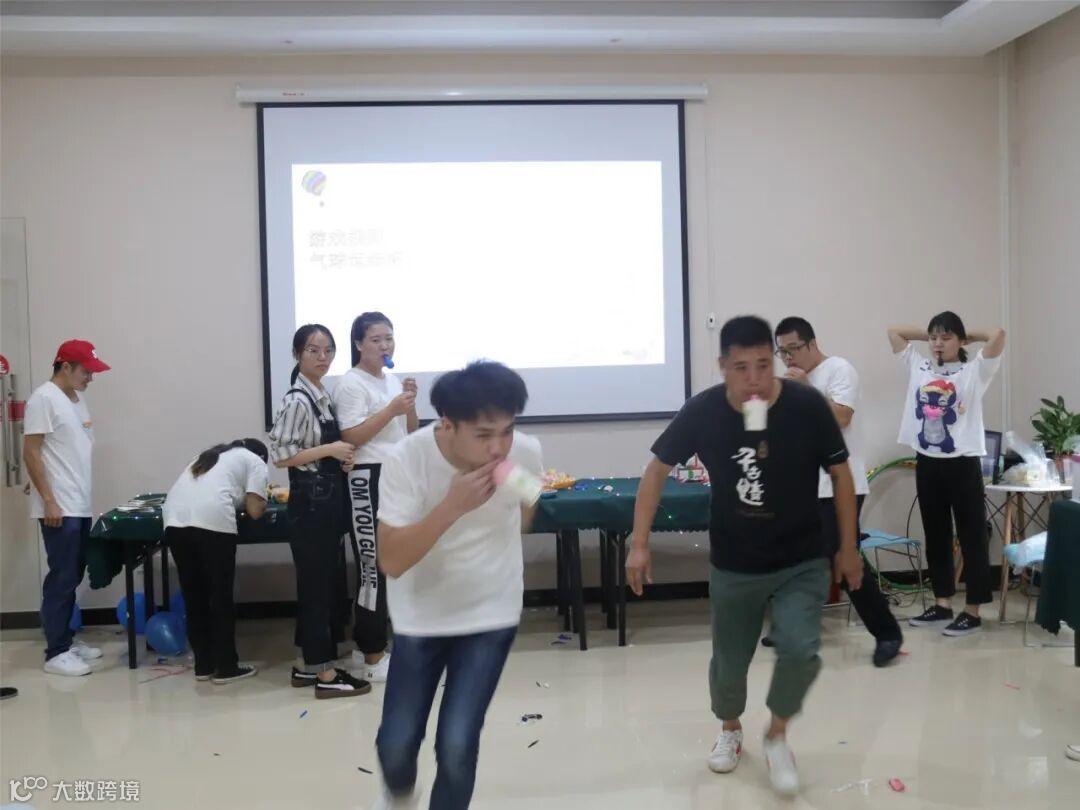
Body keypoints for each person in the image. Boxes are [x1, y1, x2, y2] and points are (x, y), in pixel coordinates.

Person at [625, 316, 863, 797]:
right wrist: (639, 543)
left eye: (763, 365)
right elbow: (656, 470)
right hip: (735, 562)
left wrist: (848, 547)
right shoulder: (704, 411)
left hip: (800, 558)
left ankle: (777, 735)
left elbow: (840, 473)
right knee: (730, 664)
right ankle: (730, 728)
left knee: (801, 650)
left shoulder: (806, 406)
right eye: (741, 368)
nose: (754, 379)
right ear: (723, 367)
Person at [372, 361, 542, 810]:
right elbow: (392, 560)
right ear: (447, 424)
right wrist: (453, 506)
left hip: (491, 613)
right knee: (396, 745)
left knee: (458, 743)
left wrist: (519, 491)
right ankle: (398, 791)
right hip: (420, 615)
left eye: (507, 431)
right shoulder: (407, 459)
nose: (498, 447)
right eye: (484, 435)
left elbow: (528, 507)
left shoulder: (522, 453)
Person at [773, 316, 903, 667]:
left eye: (793, 349)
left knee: (842, 561)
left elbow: (842, 417)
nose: (788, 357)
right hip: (803, 487)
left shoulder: (839, 370)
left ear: (812, 343)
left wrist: (806, 390)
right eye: (782, 352)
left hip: (840, 485)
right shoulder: (790, 383)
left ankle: (887, 632)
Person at [269, 324, 371, 699]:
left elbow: (316, 449)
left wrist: (341, 459)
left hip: (326, 501)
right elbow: (281, 455)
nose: (322, 357)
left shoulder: (322, 395)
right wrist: (330, 450)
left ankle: (308, 665)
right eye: (313, 350)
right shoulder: (297, 399)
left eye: (328, 350)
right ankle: (325, 674)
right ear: (298, 354)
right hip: (310, 504)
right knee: (316, 589)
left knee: (325, 585)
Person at [888, 313, 1005, 636]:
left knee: (972, 535)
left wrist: (966, 335)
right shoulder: (920, 366)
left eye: (946, 337)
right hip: (927, 461)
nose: (937, 343)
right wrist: (930, 334)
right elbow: (894, 331)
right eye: (934, 338)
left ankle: (973, 611)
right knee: (936, 534)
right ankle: (942, 604)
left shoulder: (974, 370)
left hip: (962, 462)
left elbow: (997, 334)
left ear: (961, 341)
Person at [333, 312, 418, 683]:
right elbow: (351, 436)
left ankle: (375, 647)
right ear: (358, 344)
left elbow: (409, 431)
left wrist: (409, 404)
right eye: (376, 339)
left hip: (395, 476)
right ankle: (371, 655)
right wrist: (391, 409)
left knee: (394, 564)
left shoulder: (390, 380)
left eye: (389, 338)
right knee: (372, 566)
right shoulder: (351, 384)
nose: (385, 346)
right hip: (367, 478)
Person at [23, 340, 111, 677]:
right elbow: (31, 450)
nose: (90, 378)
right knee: (62, 576)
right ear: (65, 367)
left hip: (79, 502)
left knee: (73, 573)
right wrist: (47, 498)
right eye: (86, 371)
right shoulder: (43, 398)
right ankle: (56, 652)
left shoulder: (76, 399)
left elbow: (58, 450)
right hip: (58, 505)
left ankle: (66, 640)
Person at [163, 438, 270, 684]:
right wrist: (262, 497)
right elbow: (255, 511)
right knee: (220, 596)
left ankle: (203, 666)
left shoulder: (206, 457)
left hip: (174, 523)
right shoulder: (255, 461)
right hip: (212, 523)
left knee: (194, 596)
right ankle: (226, 667)